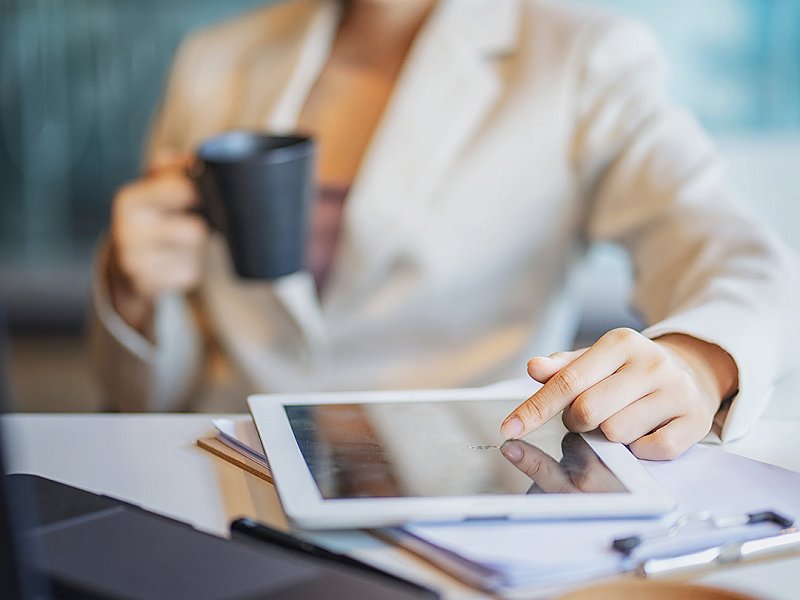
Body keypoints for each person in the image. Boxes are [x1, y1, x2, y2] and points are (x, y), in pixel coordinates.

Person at [89, 0, 799, 460]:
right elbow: (137, 396)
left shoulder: (584, 59)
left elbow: (740, 259)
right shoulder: (214, 59)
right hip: (220, 467)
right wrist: (131, 293)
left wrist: (702, 361)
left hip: (460, 486)